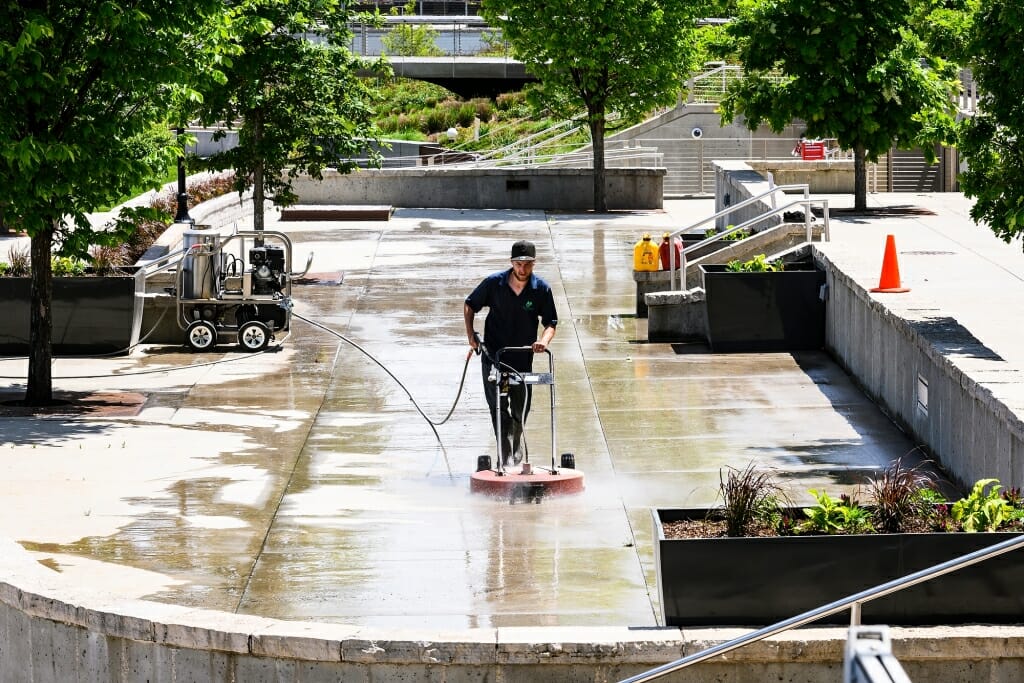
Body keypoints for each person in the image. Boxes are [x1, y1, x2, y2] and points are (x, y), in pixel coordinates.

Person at [464, 240, 558, 467]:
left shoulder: (541, 289)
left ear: (534, 263)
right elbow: (470, 304)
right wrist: (471, 336)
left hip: (521, 360)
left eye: (527, 264)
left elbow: (551, 322)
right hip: (495, 360)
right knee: (499, 404)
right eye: (518, 264)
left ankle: (517, 440)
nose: (522, 269)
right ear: (511, 263)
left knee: (520, 407)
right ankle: (505, 452)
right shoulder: (494, 283)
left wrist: (543, 342)